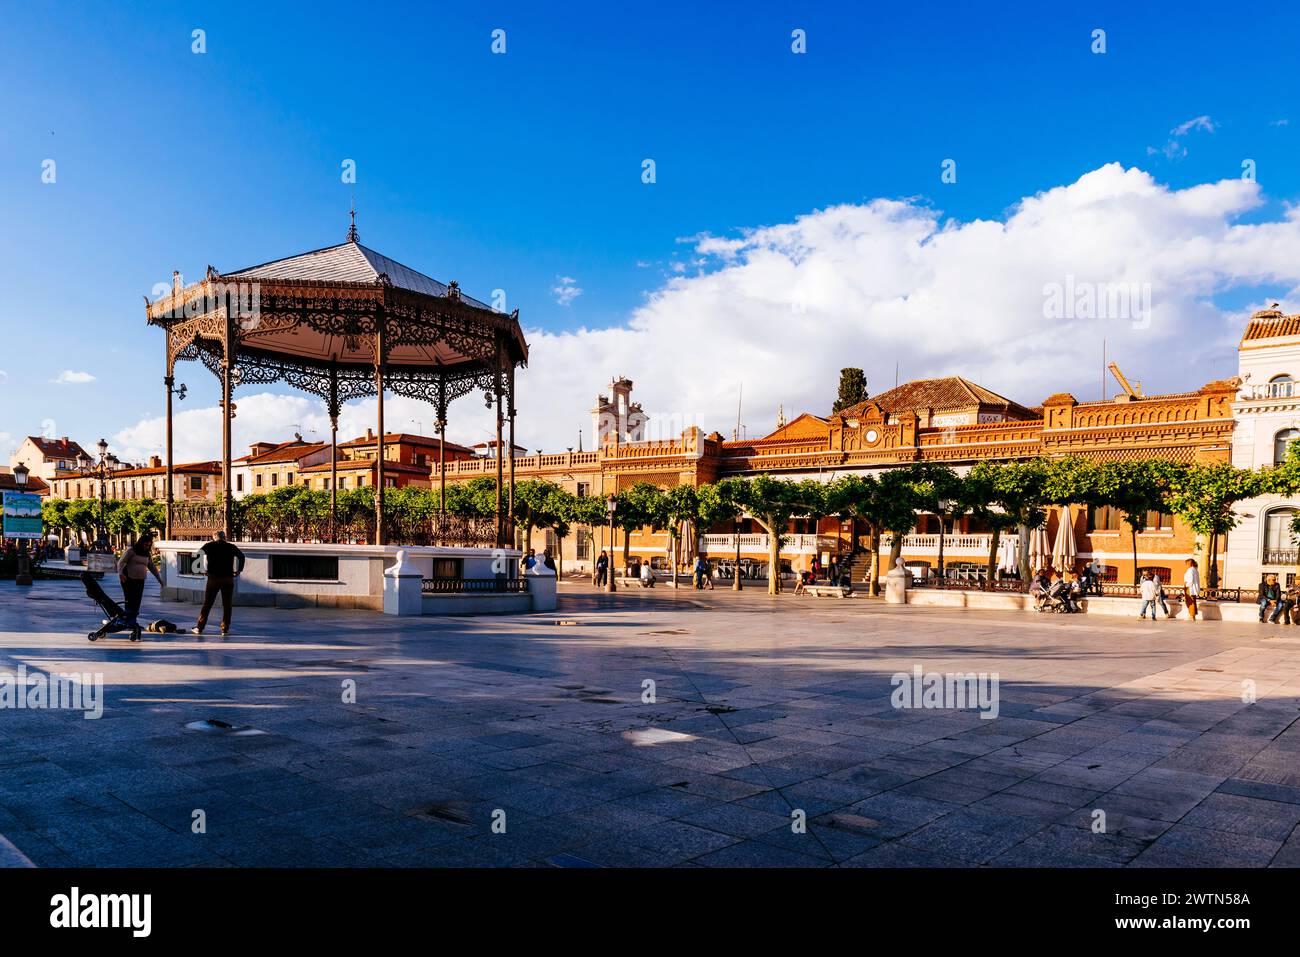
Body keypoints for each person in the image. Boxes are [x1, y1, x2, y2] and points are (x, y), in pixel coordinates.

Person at [191, 530, 246, 637]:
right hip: (228, 579)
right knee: (227, 604)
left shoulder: (209, 546)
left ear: (214, 537)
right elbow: (242, 556)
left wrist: (201, 569)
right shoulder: (231, 546)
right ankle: (224, 629)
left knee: (208, 604)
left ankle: (200, 627)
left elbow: (197, 555)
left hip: (213, 578)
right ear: (224, 537)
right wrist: (239, 570)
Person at [117, 533, 163, 632]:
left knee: (137, 601)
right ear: (141, 543)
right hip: (128, 579)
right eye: (145, 544)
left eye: (149, 545)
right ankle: (129, 621)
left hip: (140, 580)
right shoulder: (131, 551)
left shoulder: (147, 554)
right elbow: (121, 562)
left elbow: (152, 567)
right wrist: (120, 573)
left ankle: (133, 621)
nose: (147, 547)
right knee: (130, 600)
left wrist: (159, 579)